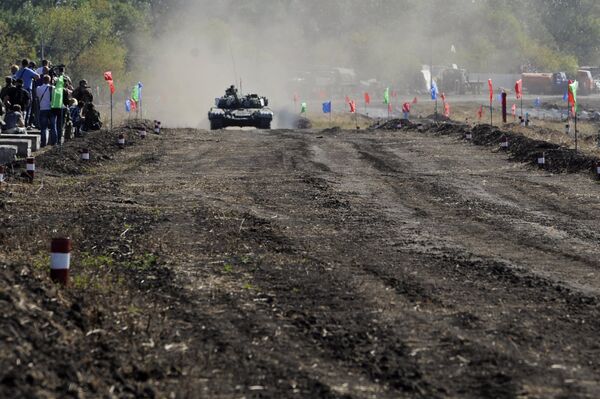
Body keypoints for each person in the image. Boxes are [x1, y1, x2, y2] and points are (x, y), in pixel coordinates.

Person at [14, 59, 39, 127]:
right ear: (28, 64)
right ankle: (25, 123)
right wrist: (32, 78)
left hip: (18, 90)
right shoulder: (29, 71)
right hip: (27, 90)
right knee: (28, 107)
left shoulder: (19, 71)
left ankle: (17, 122)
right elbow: (37, 76)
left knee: (19, 106)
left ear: (22, 64)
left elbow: (15, 77)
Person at [36, 75, 56, 147]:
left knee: (43, 127)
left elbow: (37, 97)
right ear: (50, 80)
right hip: (52, 109)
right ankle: (54, 142)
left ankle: (43, 142)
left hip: (43, 109)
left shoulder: (38, 88)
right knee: (53, 126)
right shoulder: (53, 88)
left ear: (42, 80)